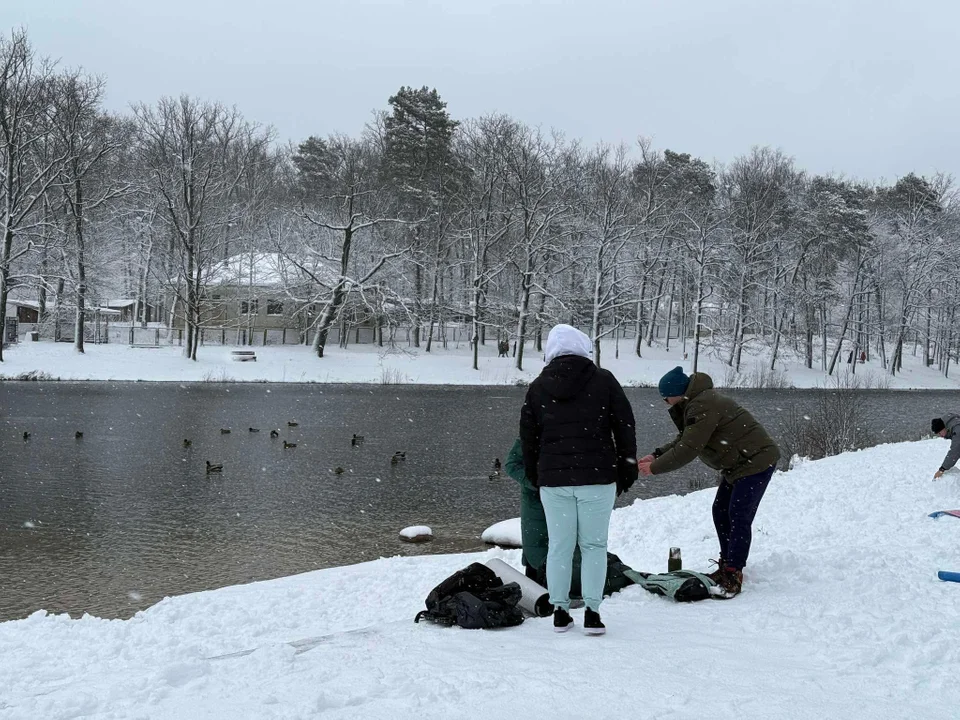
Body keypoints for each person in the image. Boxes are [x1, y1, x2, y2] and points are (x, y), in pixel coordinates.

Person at [519, 324, 637, 635]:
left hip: (554, 482)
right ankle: (593, 613)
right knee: (594, 546)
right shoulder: (604, 380)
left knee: (559, 545)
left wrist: (536, 475)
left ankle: (560, 611)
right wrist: (627, 467)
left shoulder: (538, 386)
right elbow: (624, 425)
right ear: (583, 347)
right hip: (598, 478)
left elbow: (528, 438)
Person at [638, 366, 779, 597]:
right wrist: (656, 454)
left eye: (665, 397)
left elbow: (689, 448)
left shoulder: (703, 404)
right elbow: (685, 438)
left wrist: (654, 468)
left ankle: (733, 572)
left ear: (676, 392)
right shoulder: (696, 402)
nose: (665, 402)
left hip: (755, 461)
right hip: (738, 464)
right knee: (721, 510)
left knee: (738, 514)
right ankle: (727, 564)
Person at [931, 414, 960, 479]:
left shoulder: (957, 429)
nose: (940, 435)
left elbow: (955, 451)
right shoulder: (955, 425)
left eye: (939, 433)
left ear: (943, 428)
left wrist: (942, 469)